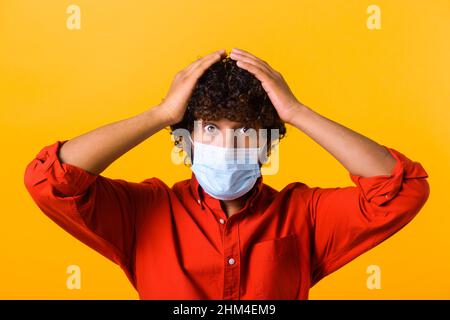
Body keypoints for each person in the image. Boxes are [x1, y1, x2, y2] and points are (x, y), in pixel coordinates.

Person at [24, 48, 430, 300]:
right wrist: (161, 113)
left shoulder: (304, 213)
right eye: (212, 129)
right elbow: (49, 181)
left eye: (246, 131)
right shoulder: (143, 213)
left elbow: (401, 189)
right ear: (188, 141)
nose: (229, 145)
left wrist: (296, 112)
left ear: (267, 145)